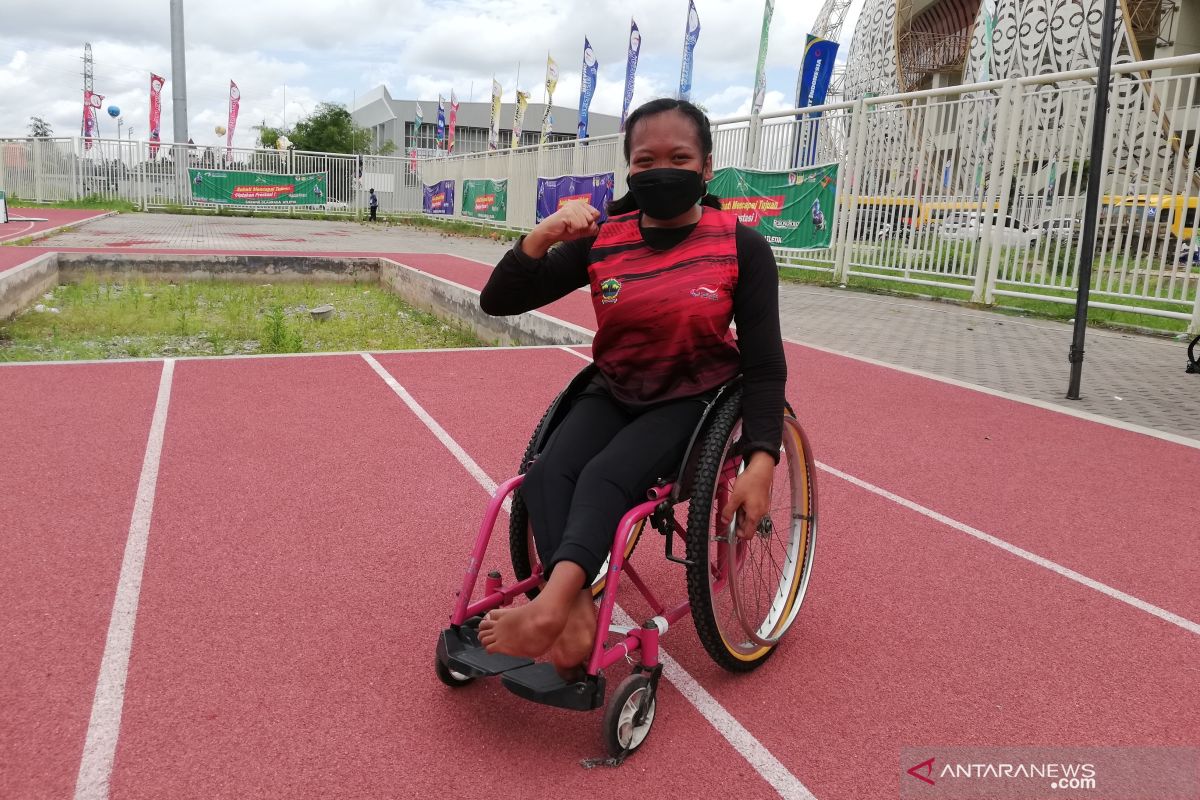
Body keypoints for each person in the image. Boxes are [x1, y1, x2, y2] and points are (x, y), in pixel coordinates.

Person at [477, 98, 787, 677]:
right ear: (629, 171)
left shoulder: (741, 247)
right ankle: (572, 616)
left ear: (706, 168)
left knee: (604, 476)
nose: (661, 170)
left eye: (679, 157)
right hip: (616, 387)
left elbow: (766, 364)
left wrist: (762, 460)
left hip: (694, 397)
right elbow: (499, 301)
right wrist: (540, 237)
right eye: (646, 160)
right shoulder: (606, 239)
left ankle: (548, 609)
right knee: (546, 472)